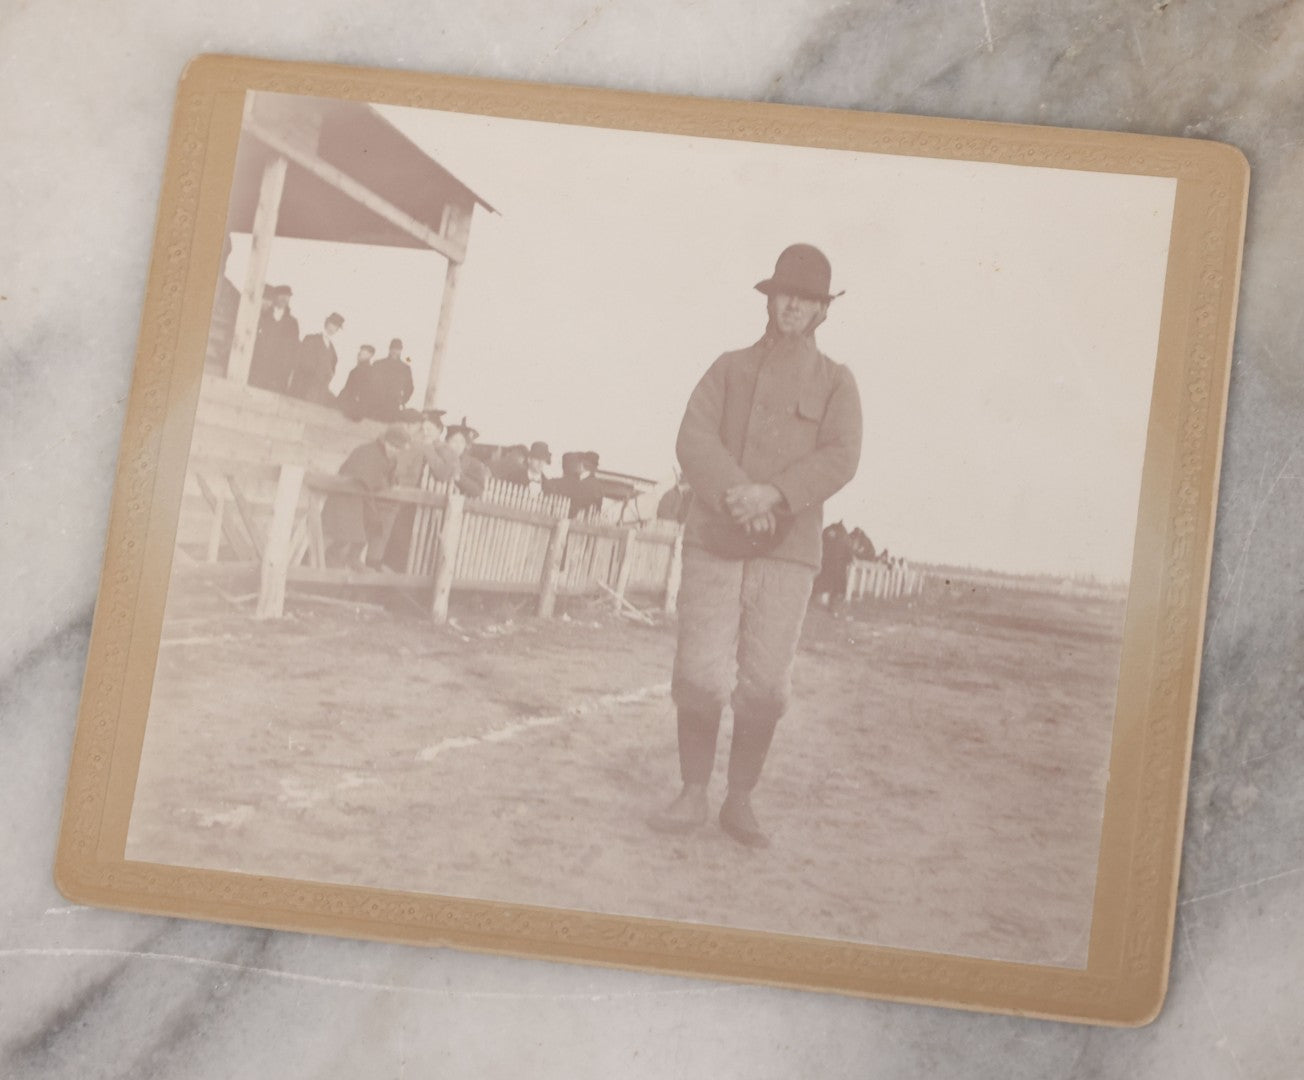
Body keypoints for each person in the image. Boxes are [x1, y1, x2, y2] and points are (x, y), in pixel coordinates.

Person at [647, 243, 862, 848]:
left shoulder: (838, 383)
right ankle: (692, 792)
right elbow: (693, 437)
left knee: (765, 685)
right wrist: (737, 492)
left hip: (787, 552)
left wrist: (775, 495)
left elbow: (842, 456)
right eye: (784, 294)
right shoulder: (728, 368)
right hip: (715, 537)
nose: (793, 306)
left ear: (823, 311)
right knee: (697, 674)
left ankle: (739, 799)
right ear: (770, 300)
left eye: (807, 299)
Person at [320, 424, 409, 571]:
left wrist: (391, 483)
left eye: (399, 448)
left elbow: (389, 477)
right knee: (346, 533)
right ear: (386, 442)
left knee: (372, 524)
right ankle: (332, 564)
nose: (395, 451)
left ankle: (353, 559)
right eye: (393, 446)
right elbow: (365, 477)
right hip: (346, 498)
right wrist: (382, 484)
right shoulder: (367, 452)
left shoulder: (391, 457)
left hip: (363, 498)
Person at [248, 284, 300, 392]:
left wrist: (287, 371)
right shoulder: (263, 316)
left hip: (278, 373)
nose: (284, 299)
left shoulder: (292, 323)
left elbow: (294, 350)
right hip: (258, 368)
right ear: (275, 297)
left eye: (287, 296)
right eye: (282, 296)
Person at [288, 312, 344, 405]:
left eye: (337, 327)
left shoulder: (333, 351)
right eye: (333, 324)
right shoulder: (311, 339)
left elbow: (331, 372)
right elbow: (303, 364)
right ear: (327, 323)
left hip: (319, 393)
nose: (334, 329)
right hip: (304, 388)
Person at [358, 338, 415, 421]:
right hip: (375, 405)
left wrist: (402, 401)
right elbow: (368, 383)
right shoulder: (378, 364)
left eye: (397, 349)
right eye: (393, 348)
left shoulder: (405, 369)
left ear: (401, 350)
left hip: (393, 406)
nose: (395, 351)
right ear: (389, 349)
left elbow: (410, 388)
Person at [446, 421, 487, 498]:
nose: (458, 446)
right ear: (447, 442)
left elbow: (478, 491)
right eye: (454, 441)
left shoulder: (473, 464)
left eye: (462, 442)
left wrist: (459, 477)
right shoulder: (440, 457)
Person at [337, 344, 376, 420]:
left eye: (363, 354)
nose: (359, 355)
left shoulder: (368, 371)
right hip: (353, 406)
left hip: (356, 409)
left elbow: (366, 393)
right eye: (359, 353)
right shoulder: (355, 370)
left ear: (370, 355)